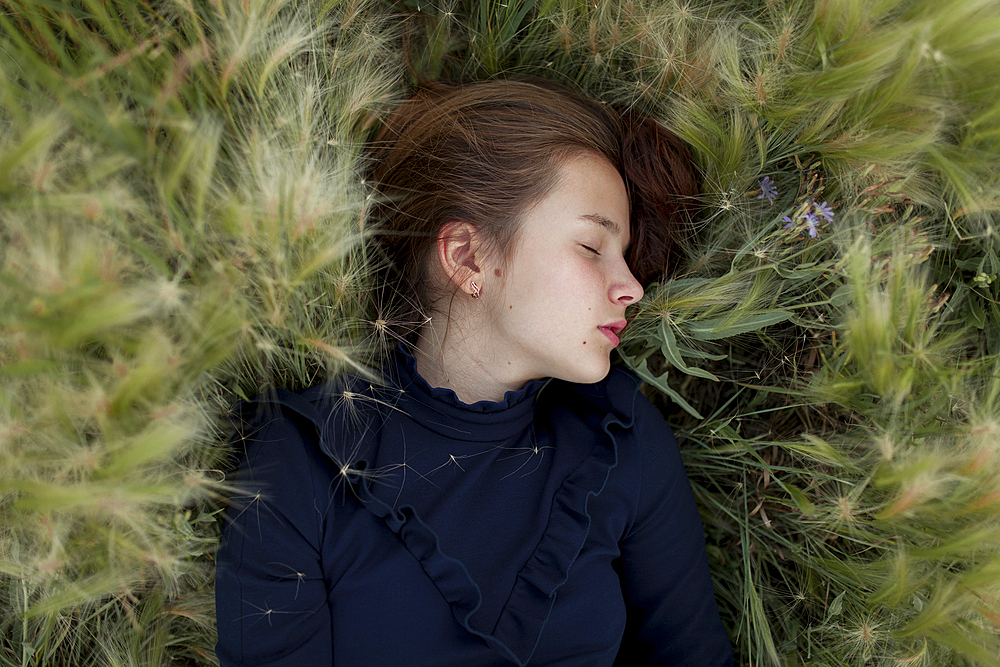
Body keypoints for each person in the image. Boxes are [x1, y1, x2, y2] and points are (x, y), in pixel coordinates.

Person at [215, 78, 734, 666]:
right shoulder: (304, 460)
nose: (632, 288)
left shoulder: (621, 442)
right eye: (593, 247)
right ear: (467, 257)